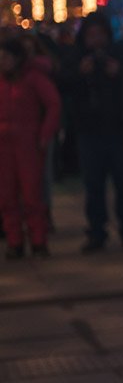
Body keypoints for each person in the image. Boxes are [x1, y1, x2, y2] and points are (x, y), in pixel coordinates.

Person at [65, 13, 123, 252]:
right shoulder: (78, 58)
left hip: (116, 131)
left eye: (99, 35)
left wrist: (118, 73)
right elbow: (65, 84)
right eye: (91, 36)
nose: (96, 41)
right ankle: (97, 231)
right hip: (90, 132)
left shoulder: (118, 55)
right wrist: (80, 74)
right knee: (93, 186)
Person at [0, 36, 61, 258]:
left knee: (31, 193)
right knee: (7, 195)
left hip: (27, 143)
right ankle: (15, 241)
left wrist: (44, 135)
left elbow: (53, 104)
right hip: (5, 146)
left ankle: (38, 240)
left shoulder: (33, 79)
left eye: (6, 57)